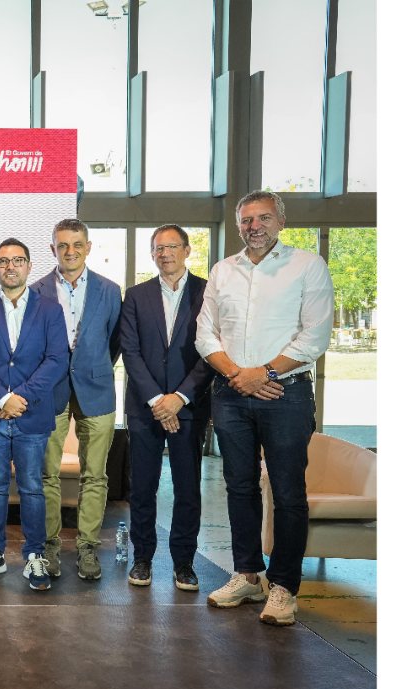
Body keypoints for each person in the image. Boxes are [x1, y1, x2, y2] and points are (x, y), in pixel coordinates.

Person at [197, 191, 333, 626]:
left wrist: (265, 375)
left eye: (263, 218)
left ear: (281, 220)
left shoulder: (307, 266)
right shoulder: (222, 270)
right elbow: (206, 335)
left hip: (286, 395)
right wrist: (241, 376)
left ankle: (284, 588)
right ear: (238, 225)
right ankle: (247, 574)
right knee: (238, 488)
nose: (254, 226)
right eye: (247, 220)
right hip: (232, 393)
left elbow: (315, 336)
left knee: (289, 494)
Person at [0, 238, 70, 591]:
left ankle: (34, 556)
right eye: (3, 261)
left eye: (18, 260)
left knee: (32, 488)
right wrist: (1, 397)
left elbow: (56, 360)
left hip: (32, 414)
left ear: (28, 265)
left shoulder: (51, 309)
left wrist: (18, 398)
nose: (10, 266)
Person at [118, 225, 214, 591]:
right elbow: (130, 351)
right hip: (146, 409)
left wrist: (181, 397)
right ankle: (142, 558)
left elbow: (211, 351)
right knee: (142, 487)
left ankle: (184, 563)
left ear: (187, 250)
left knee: (188, 488)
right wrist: (159, 400)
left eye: (172, 246)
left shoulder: (208, 293)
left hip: (189, 407)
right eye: (158, 248)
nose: (165, 253)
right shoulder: (136, 295)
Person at [28, 218, 122, 582]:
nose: (70, 251)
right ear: (52, 248)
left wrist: (91, 369)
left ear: (88, 246)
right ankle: (49, 546)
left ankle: (87, 548)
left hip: (96, 391)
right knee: (46, 474)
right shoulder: (35, 291)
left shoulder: (110, 291)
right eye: (63, 245)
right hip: (48, 393)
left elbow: (112, 343)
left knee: (95, 475)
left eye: (77, 244)